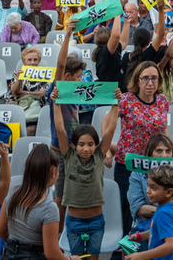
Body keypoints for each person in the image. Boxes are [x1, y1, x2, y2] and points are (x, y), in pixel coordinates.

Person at [105, 60, 171, 237]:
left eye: (154, 79)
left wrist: (170, 156)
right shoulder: (126, 100)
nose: (150, 83)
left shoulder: (163, 101)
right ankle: (127, 247)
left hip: (153, 164)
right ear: (137, 80)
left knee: (153, 205)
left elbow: (163, 128)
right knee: (128, 208)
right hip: (128, 163)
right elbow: (106, 123)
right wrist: (107, 150)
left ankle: (149, 244)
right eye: (146, 78)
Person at [52, 92, 113, 260]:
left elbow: (111, 129)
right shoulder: (69, 156)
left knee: (92, 259)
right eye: (81, 144)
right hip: (73, 222)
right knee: (76, 258)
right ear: (74, 145)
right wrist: (56, 103)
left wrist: (116, 104)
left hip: (96, 222)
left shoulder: (99, 156)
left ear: (96, 145)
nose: (86, 149)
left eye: (90, 144)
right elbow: (60, 128)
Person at [0, 144, 80, 260]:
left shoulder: (12, 195)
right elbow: (52, 254)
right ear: (53, 172)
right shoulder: (48, 208)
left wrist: (17, 248)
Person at [127, 135, 173, 253]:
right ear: (150, 154)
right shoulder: (137, 174)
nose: (164, 156)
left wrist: (168, 189)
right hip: (145, 223)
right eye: (159, 151)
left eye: (168, 151)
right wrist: (168, 212)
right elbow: (138, 208)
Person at [123, 164, 173, 260]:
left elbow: (171, 245)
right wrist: (139, 236)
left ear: (169, 192)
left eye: (153, 188)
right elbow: (160, 231)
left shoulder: (163, 213)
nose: (148, 191)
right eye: (148, 186)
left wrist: (140, 256)